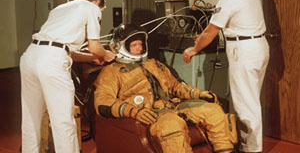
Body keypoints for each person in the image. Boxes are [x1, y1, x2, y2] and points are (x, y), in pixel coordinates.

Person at [94, 24, 238, 153]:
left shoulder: (154, 64)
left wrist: (198, 94)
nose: (140, 48)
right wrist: (133, 111)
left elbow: (175, 86)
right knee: (172, 124)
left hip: (172, 105)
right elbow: (102, 102)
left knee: (213, 111)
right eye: (134, 45)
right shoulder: (111, 72)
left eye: (141, 44)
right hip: (153, 114)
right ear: (120, 47)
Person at [183, 0, 269, 153]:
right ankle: (243, 142)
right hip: (259, 46)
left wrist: (193, 49)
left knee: (245, 103)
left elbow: (210, 32)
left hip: (243, 50)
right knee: (251, 99)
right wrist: (204, 38)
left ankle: (251, 149)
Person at [20, 0, 115, 153]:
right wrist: (106, 54)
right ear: (97, 2)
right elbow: (94, 46)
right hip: (52, 60)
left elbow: (68, 52)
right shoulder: (92, 8)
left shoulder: (61, 8)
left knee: (30, 118)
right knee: (63, 121)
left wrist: (95, 57)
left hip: (30, 56)